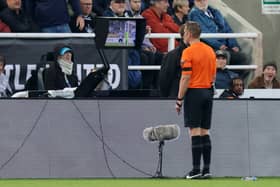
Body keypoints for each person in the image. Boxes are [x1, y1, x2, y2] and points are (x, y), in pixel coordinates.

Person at [175, 21, 216, 179]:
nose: (183, 35)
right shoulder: (210, 51)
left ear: (189, 34)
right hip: (208, 91)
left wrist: (179, 99)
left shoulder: (188, 52)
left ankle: (195, 170)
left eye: (184, 32)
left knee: (194, 131)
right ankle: (206, 170)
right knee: (205, 130)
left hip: (194, 93)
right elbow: (213, 76)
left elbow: (185, 77)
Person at [188, 0, 248, 68]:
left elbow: (228, 29)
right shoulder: (194, 14)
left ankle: (233, 77)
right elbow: (204, 33)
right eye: (199, 1)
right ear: (194, 2)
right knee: (225, 56)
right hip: (211, 47)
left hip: (225, 46)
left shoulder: (215, 12)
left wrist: (233, 45)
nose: (202, 2)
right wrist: (219, 45)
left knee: (243, 58)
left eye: (204, 0)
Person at [159, 24, 188, 97]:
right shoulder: (172, 55)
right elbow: (165, 79)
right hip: (176, 96)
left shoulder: (204, 52)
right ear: (184, 35)